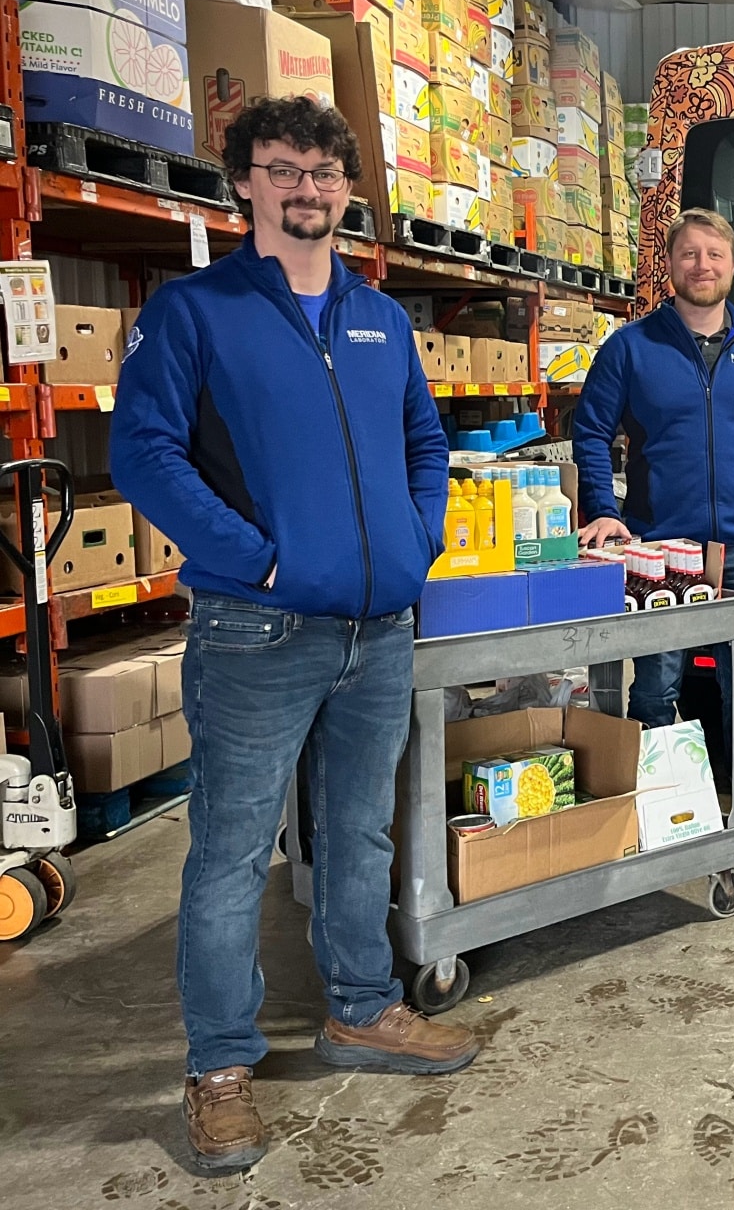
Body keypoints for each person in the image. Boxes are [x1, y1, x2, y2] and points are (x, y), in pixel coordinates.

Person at [111, 97, 475, 1175]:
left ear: (348, 188)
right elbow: (144, 454)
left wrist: (418, 540)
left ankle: (360, 1006)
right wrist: (259, 556)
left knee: (361, 831)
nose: (306, 189)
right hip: (257, 626)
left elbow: (424, 438)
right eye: (283, 170)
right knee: (230, 852)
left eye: (323, 172)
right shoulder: (196, 311)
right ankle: (220, 1068)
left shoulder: (379, 318)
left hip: (379, 622)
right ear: (245, 183)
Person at [573, 208, 734, 865]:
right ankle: (653, 812)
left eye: (714, 254)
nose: (702, 265)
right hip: (663, 548)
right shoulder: (631, 347)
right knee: (655, 684)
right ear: (671, 266)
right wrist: (603, 508)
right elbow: (591, 430)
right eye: (689, 254)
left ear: (732, 266)